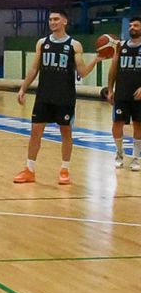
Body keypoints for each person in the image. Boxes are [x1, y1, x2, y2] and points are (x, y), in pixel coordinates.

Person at [14, 10, 99, 185]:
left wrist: (96, 60)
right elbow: (33, 69)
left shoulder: (74, 45)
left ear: (65, 21)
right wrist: (23, 88)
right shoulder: (42, 43)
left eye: (56, 19)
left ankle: (65, 170)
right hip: (44, 95)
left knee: (66, 133)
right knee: (35, 133)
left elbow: (82, 72)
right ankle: (29, 170)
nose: (52, 22)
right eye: (50, 19)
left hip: (64, 96)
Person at [104, 17, 141, 172]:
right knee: (117, 123)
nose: (132, 27)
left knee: (138, 125)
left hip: (139, 94)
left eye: (136, 25)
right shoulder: (121, 46)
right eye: (131, 25)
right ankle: (119, 153)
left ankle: (137, 158)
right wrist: (110, 89)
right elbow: (113, 69)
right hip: (122, 92)